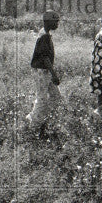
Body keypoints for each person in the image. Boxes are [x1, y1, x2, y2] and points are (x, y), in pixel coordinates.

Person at [25, 10, 61, 138]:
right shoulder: (44, 36)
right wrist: (54, 74)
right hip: (42, 71)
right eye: (55, 21)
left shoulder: (45, 34)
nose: (57, 23)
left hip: (45, 71)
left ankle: (39, 119)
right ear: (48, 21)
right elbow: (45, 58)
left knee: (56, 96)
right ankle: (33, 127)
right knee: (42, 99)